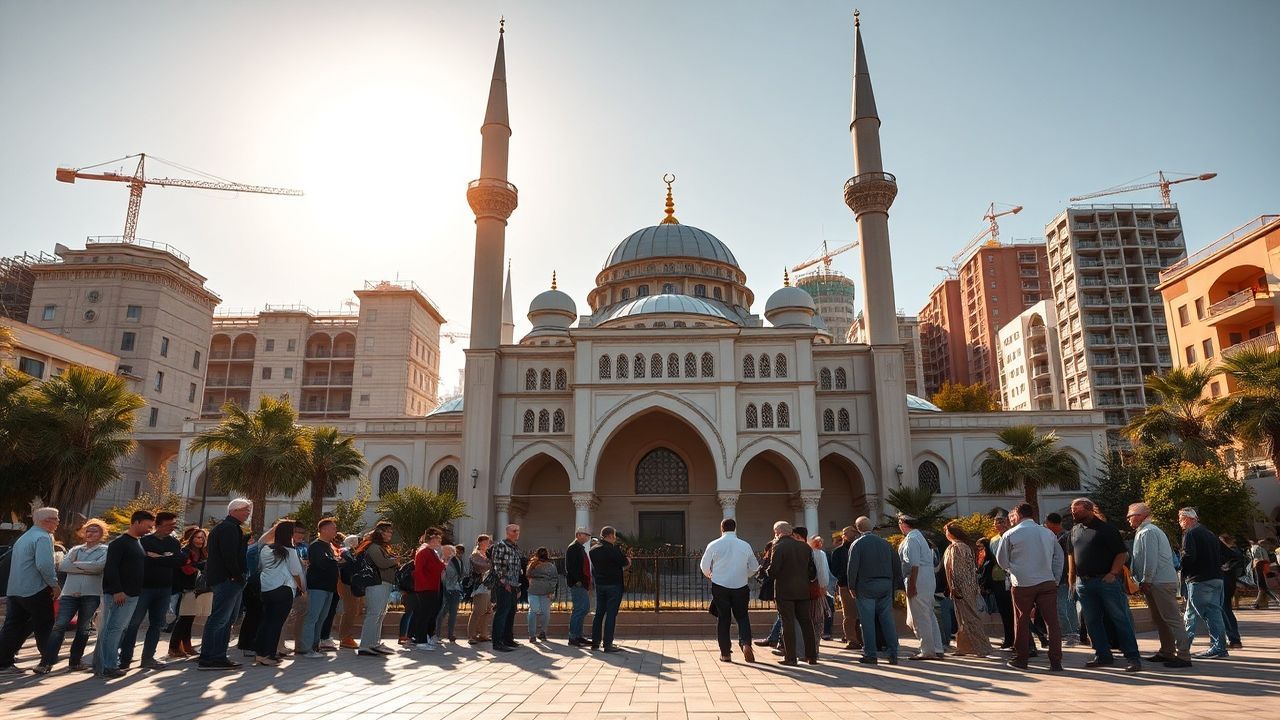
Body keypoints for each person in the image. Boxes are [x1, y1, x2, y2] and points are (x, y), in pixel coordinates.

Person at [1068, 498, 1141, 672]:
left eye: (1076, 510)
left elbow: (1121, 553)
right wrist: (1071, 581)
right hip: (1083, 583)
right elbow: (1071, 556)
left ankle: (1133, 657)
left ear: (1089, 509)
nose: (1073, 513)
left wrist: (1112, 574)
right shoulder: (1074, 531)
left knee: (1120, 618)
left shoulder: (1106, 529)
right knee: (1092, 621)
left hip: (1106, 582)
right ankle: (1102, 655)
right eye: (1072, 510)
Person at [994, 503, 1064, 671]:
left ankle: (1021, 659)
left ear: (1017, 515)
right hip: (1047, 581)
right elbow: (1058, 557)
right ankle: (1055, 661)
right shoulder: (1047, 532)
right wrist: (1055, 579)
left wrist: (1013, 570)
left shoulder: (1011, 533)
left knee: (1021, 620)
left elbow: (1001, 560)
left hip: (1023, 583)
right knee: (1052, 622)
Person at [1125, 502, 1192, 668]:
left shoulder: (1148, 531)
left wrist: (1146, 580)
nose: (1128, 520)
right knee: (1160, 619)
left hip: (1159, 581)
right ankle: (1167, 651)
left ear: (1140, 516)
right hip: (1155, 581)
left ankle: (1183, 655)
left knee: (1171, 618)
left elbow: (1150, 559)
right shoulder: (1144, 531)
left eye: (1130, 516)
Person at [118, 511, 183, 671]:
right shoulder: (144, 541)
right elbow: (144, 561)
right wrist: (166, 558)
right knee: (133, 624)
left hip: (165, 588)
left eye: (174, 525)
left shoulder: (174, 543)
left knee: (157, 624)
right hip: (143, 588)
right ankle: (125, 659)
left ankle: (148, 658)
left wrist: (159, 558)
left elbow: (179, 561)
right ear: (158, 525)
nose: (171, 528)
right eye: (168, 525)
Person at [0, 507, 61, 676]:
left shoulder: (25, 536)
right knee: (45, 625)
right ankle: (46, 661)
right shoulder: (43, 537)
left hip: (15, 589)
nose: (58, 522)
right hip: (35, 589)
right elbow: (44, 565)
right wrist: (54, 584)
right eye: (56, 519)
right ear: (46, 521)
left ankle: (4, 662)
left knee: (12, 625)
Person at [94, 510, 154, 678]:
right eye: (148, 526)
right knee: (113, 630)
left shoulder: (137, 542)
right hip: (120, 595)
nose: (149, 529)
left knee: (117, 630)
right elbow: (111, 568)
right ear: (137, 522)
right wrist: (117, 590)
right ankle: (108, 666)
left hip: (132, 594)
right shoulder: (119, 543)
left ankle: (106, 665)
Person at [45, 518, 108, 672]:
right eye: (88, 530)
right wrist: (87, 567)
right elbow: (64, 566)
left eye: (95, 530)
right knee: (59, 626)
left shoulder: (105, 550)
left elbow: (99, 567)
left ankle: (75, 661)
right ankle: (46, 662)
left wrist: (77, 565)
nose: (90, 533)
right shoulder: (75, 550)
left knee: (83, 628)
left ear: (102, 534)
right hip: (69, 593)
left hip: (91, 593)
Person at [199, 498, 251, 671]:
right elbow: (228, 556)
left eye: (248, 510)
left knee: (226, 620)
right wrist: (237, 576)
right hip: (227, 580)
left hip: (227, 579)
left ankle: (218, 656)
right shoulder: (229, 528)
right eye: (244, 509)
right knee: (219, 619)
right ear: (233, 511)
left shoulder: (230, 527)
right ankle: (209, 657)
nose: (247, 512)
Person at [700, 518, 759, 663]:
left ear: (722, 528)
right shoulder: (745, 545)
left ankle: (725, 653)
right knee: (743, 616)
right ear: (735, 528)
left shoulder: (714, 544)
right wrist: (745, 575)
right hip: (740, 586)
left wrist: (710, 575)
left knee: (723, 618)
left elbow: (704, 565)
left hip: (720, 586)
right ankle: (745, 643)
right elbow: (754, 566)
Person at [846, 516, 898, 665]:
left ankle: (870, 654)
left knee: (867, 622)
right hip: (885, 584)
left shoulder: (857, 544)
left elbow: (852, 567)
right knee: (887, 620)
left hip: (866, 586)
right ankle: (893, 653)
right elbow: (896, 565)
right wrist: (893, 585)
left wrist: (851, 586)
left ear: (857, 529)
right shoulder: (885, 543)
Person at [1178, 508, 1228, 659]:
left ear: (1188, 519)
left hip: (1200, 580)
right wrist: (1223, 566)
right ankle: (1183, 647)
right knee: (1193, 614)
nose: (1179, 522)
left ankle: (1219, 648)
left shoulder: (1191, 533)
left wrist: (1182, 570)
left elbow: (1189, 556)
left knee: (1211, 614)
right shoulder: (1210, 534)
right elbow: (1232, 554)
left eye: (1180, 518)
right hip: (1216, 579)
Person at [765, 521, 817, 666]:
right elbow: (812, 571)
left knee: (787, 623)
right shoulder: (805, 547)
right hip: (802, 590)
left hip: (785, 591)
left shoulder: (779, 546)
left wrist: (767, 571)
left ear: (778, 532)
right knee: (806, 622)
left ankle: (791, 657)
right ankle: (811, 656)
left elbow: (774, 570)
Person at [254, 520, 305, 666]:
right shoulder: (290, 551)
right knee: (276, 623)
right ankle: (268, 654)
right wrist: (302, 589)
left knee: (266, 621)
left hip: (267, 589)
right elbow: (296, 572)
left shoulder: (265, 549)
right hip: (283, 589)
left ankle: (260, 653)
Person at [941, 521, 991, 659]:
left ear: (950, 533)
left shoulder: (955, 548)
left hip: (961, 588)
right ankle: (963, 647)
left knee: (969, 618)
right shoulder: (966, 547)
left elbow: (955, 570)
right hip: (970, 586)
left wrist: (954, 587)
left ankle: (982, 648)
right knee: (962, 618)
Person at [898, 514, 944, 660]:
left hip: (917, 580)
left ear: (903, 524)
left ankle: (927, 650)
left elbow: (914, 565)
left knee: (920, 617)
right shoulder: (919, 537)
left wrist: (911, 585)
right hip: (926, 579)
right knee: (928, 614)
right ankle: (937, 647)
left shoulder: (912, 539)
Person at [300, 518, 342, 658]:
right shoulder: (316, 546)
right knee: (312, 617)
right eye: (332, 528)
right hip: (317, 587)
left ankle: (315, 646)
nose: (335, 530)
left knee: (322, 618)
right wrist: (336, 561)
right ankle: (306, 649)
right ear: (323, 530)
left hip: (329, 588)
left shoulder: (329, 546)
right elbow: (321, 563)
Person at [356, 522, 398, 656]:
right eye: (387, 531)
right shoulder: (373, 547)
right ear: (380, 532)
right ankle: (366, 645)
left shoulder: (381, 547)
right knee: (374, 614)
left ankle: (374, 643)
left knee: (380, 614)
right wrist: (395, 561)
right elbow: (382, 563)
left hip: (383, 584)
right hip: (376, 584)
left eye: (391, 532)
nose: (390, 534)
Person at [169, 526, 209, 658]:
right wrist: (199, 566)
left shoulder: (203, 552)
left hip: (196, 589)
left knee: (189, 618)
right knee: (184, 619)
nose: (200, 540)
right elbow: (186, 569)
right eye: (198, 537)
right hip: (186, 589)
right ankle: (174, 647)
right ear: (192, 538)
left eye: (203, 538)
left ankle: (186, 646)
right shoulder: (186, 552)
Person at [589, 525, 630, 653]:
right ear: (611, 536)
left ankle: (595, 642)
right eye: (614, 536)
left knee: (599, 613)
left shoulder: (593, 550)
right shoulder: (613, 549)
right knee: (611, 614)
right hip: (614, 585)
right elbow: (624, 562)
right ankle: (608, 644)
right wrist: (628, 560)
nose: (615, 539)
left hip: (600, 585)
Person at [1043, 512, 1080, 645]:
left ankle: (1071, 634)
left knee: (1064, 606)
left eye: (1046, 524)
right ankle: (1070, 633)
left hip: (1064, 578)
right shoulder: (1059, 536)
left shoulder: (1064, 538)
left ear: (1052, 524)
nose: (1045, 526)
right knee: (1064, 605)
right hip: (1062, 577)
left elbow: (1066, 559)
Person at [410, 528, 446, 650]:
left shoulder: (431, 552)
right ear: (431, 540)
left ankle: (425, 637)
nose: (440, 542)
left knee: (430, 614)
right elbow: (418, 571)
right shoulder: (424, 552)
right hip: (425, 588)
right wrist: (424, 585)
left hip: (432, 587)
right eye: (438, 539)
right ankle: (421, 641)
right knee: (424, 614)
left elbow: (439, 567)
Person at [279, 523, 311, 656]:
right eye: (297, 532)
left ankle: (300, 644)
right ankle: (279, 646)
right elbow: (294, 571)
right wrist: (302, 589)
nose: (300, 535)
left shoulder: (303, 547)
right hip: (288, 587)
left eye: (303, 533)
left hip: (299, 587)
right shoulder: (285, 548)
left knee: (302, 613)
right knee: (283, 617)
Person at [491, 524, 524, 652]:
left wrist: (517, 586)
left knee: (511, 612)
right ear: (507, 532)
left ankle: (508, 639)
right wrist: (505, 582)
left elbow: (517, 568)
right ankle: (497, 642)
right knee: (502, 612)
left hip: (514, 584)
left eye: (518, 531)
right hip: (504, 584)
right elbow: (497, 565)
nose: (516, 533)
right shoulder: (501, 545)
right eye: (514, 531)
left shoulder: (515, 547)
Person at [987, 513, 1015, 649]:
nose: (998, 526)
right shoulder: (992, 540)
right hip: (998, 578)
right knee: (1003, 610)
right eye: (996, 523)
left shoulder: (1012, 536)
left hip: (1013, 577)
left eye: (1001, 522)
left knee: (1014, 610)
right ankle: (1008, 638)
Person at [831, 526, 862, 650]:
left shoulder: (859, 547)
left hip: (861, 585)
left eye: (853, 533)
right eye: (848, 533)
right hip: (845, 585)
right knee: (849, 615)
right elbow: (835, 569)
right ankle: (852, 640)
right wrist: (843, 577)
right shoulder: (838, 551)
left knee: (862, 614)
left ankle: (861, 638)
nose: (851, 535)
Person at [564, 528, 593, 647]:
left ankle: (578, 635)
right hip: (578, 584)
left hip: (582, 583)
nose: (588, 537)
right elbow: (571, 567)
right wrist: (578, 581)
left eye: (589, 535)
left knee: (584, 609)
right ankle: (573, 636)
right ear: (578, 535)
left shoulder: (580, 548)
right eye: (585, 535)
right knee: (580, 609)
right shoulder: (573, 548)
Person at [336, 534, 363, 649]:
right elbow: (351, 565)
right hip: (347, 584)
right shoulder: (345, 551)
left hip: (351, 584)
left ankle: (346, 636)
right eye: (359, 541)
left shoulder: (349, 552)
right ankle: (344, 637)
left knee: (352, 610)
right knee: (350, 610)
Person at [1217, 534, 1244, 649]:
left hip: (1226, 583)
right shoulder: (1232, 551)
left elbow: (1237, 560)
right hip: (1228, 583)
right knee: (1226, 610)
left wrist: (1226, 566)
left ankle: (1234, 638)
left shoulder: (1232, 551)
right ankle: (1233, 638)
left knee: (1225, 610)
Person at [526, 547, 558, 642]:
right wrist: (551, 590)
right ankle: (541, 632)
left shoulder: (532, 564)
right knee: (545, 612)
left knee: (534, 611)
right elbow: (554, 579)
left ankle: (533, 634)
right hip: (544, 590)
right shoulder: (551, 565)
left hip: (535, 589)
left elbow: (528, 575)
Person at [467, 534, 494, 643]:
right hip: (479, 586)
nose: (488, 544)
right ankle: (471, 636)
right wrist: (491, 562)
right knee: (478, 611)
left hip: (487, 586)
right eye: (487, 542)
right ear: (480, 542)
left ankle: (483, 634)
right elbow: (481, 567)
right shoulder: (475, 555)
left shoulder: (485, 554)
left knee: (488, 611)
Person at [440, 544, 465, 642]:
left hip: (456, 589)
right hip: (450, 588)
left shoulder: (460, 561)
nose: (459, 554)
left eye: (461, 552)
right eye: (458, 552)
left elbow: (462, 574)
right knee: (447, 611)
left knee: (450, 612)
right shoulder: (451, 561)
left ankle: (450, 634)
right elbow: (449, 575)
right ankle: (438, 631)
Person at [1247, 538, 1277, 609]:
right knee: (1264, 588)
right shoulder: (1261, 549)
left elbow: (1259, 560)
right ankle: (1259, 604)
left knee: (1263, 587)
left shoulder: (1255, 548)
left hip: (1259, 569)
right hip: (1263, 569)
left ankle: (1257, 603)